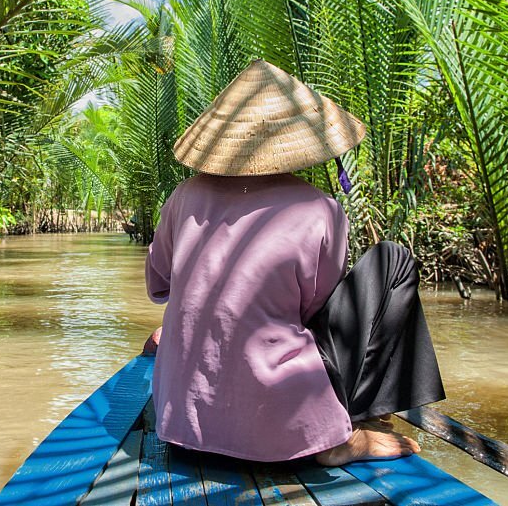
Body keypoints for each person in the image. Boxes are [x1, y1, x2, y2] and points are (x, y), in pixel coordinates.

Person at [144, 59, 445, 465]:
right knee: (393, 259)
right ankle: (342, 433)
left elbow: (158, 283)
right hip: (283, 434)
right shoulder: (321, 209)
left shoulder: (184, 197)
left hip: (182, 428)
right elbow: (315, 312)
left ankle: (337, 423)